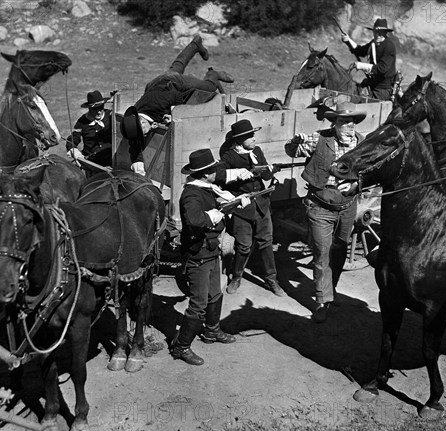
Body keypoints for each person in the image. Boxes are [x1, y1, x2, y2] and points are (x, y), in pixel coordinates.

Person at [284, 101, 366, 323]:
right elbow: (290, 151)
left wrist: (357, 186)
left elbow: (369, 171)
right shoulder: (319, 138)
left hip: (348, 207)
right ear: (334, 123)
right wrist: (295, 141)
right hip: (320, 207)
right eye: (343, 121)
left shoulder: (362, 143)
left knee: (339, 249)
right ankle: (322, 300)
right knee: (322, 253)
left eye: (351, 121)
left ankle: (332, 289)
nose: (348, 125)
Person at [173, 148, 252, 365]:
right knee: (198, 303)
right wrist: (215, 215)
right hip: (198, 254)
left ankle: (211, 332)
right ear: (205, 173)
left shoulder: (207, 188)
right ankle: (181, 347)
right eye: (212, 170)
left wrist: (235, 202)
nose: (216, 173)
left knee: (215, 294)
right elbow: (195, 220)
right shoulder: (191, 194)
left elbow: (218, 204)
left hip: (211, 250)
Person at [120, 34, 234, 176]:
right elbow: (134, 144)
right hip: (155, 84)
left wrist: (174, 113)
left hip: (175, 85)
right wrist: (138, 164)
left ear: (143, 123)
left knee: (207, 88)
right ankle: (195, 44)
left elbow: (182, 97)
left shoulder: (159, 101)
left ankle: (213, 75)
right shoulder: (135, 120)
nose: (145, 135)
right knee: (178, 65)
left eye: (143, 132)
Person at [220, 119, 286, 297]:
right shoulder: (229, 157)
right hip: (242, 209)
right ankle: (236, 277)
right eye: (249, 136)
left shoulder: (256, 151)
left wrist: (271, 170)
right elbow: (220, 178)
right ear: (240, 140)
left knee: (266, 243)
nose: (254, 139)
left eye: (253, 135)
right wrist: (238, 176)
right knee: (244, 247)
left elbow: (264, 173)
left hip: (262, 206)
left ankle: (272, 280)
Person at [341, 18, 396, 101]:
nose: (378, 34)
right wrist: (348, 41)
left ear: (385, 33)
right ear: (373, 32)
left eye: (381, 32)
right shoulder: (373, 43)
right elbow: (360, 51)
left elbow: (382, 68)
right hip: (371, 83)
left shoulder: (389, 46)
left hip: (383, 88)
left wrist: (362, 66)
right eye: (376, 32)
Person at [66, 90, 113, 169]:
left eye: (100, 108)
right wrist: (73, 149)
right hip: (92, 165)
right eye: (95, 109)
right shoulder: (82, 121)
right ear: (89, 109)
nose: (99, 112)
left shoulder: (111, 116)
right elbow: (73, 138)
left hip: (111, 162)